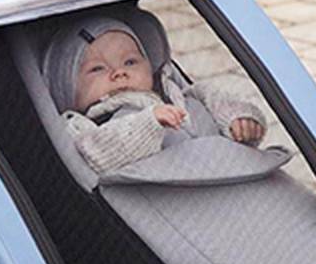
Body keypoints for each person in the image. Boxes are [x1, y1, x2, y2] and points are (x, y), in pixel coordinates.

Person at [42, 9, 269, 174]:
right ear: (67, 90)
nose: (119, 73)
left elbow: (212, 96)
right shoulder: (79, 125)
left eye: (130, 62)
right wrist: (149, 123)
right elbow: (96, 153)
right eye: (97, 69)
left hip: (224, 171)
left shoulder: (176, 94)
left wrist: (240, 119)